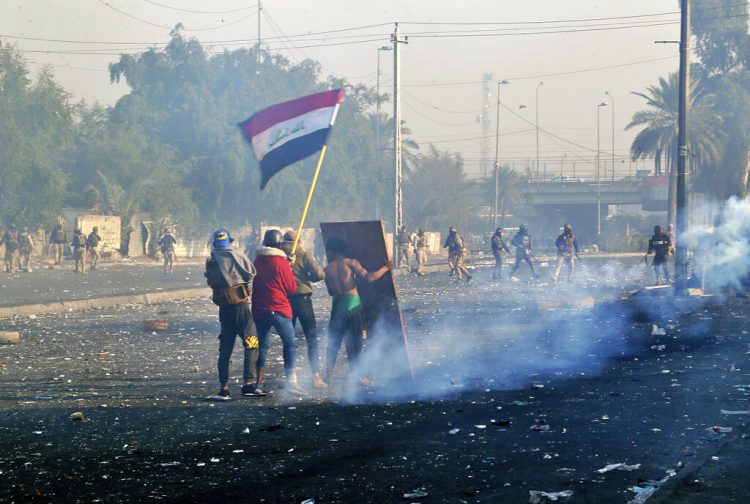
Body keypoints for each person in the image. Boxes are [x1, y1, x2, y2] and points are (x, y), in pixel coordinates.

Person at [323, 238, 392, 385]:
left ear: (331, 251)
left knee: (334, 342)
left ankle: (327, 377)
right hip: (353, 305)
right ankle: (360, 377)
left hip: (337, 307)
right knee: (357, 342)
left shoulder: (327, 269)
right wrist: (387, 268)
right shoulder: (351, 263)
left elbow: (330, 291)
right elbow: (369, 277)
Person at [204, 229, 258, 401]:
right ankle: (248, 384)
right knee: (252, 343)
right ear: (229, 241)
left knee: (225, 348)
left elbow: (211, 282)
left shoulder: (212, 260)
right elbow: (250, 274)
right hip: (241, 307)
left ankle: (224, 388)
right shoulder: (237, 254)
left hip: (224, 309)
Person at [250, 229, 302, 396]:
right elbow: (292, 288)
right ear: (280, 244)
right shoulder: (281, 263)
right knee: (290, 344)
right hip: (279, 309)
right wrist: (289, 268)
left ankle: (258, 384)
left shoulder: (256, 262)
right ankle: (291, 381)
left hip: (260, 310)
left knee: (263, 347)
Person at [280, 229, 328, 389]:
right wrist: (308, 278)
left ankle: (291, 377)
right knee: (311, 338)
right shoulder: (303, 254)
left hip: (285, 300)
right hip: (303, 299)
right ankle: (316, 377)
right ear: (298, 241)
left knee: (288, 340)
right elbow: (320, 275)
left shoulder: (278, 256)